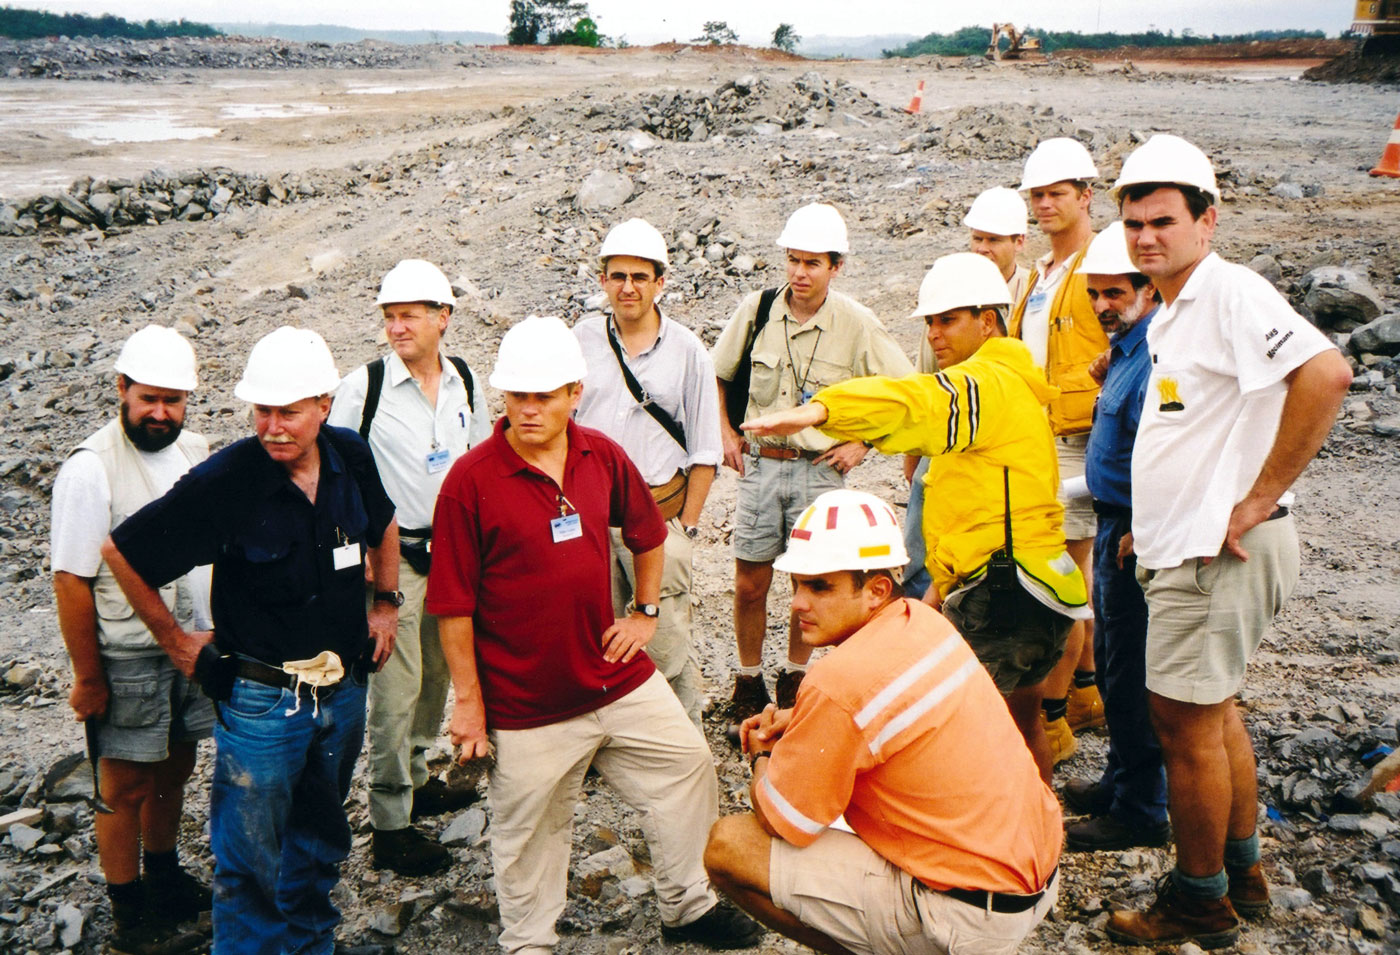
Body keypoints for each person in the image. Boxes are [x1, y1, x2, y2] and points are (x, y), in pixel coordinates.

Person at [426, 316, 763, 955]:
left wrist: (643, 612)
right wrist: (469, 705)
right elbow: (452, 607)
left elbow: (649, 533)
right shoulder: (470, 482)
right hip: (527, 702)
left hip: (613, 676)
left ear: (574, 392)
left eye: (543, 395)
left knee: (688, 766)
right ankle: (530, 943)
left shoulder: (599, 454)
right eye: (517, 395)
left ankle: (686, 906)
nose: (528, 408)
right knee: (530, 833)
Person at [1104, 135, 1352, 947]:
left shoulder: (1229, 293)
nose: (1146, 237)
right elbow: (1196, 429)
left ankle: (1198, 898)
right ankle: (1240, 873)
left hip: (1222, 558)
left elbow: (1327, 374)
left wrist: (1259, 497)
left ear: (1207, 220)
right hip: (1191, 549)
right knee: (1215, 718)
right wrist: (1156, 522)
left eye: (1163, 221)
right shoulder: (1176, 308)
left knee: (1185, 727)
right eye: (1135, 223)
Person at [101, 326, 400, 955]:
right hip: (262, 704)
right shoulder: (228, 481)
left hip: (343, 692)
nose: (272, 426)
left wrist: (385, 605)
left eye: (287, 411)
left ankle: (310, 942)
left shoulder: (350, 456)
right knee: (248, 858)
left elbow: (385, 524)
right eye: (260, 410)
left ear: (323, 405)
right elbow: (122, 552)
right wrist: (179, 644)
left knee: (320, 835)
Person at [742, 253, 1090, 784]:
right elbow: (982, 506)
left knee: (964, 738)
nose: (934, 334)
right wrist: (939, 591)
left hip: (1004, 592)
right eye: (929, 322)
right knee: (1019, 725)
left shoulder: (985, 383)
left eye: (947, 320)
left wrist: (824, 411)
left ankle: (986, 852)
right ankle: (1039, 846)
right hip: (1033, 588)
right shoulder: (1011, 383)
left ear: (987, 320)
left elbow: (915, 402)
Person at [703, 489, 1061, 955]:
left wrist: (766, 754)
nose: (797, 604)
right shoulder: (924, 621)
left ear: (876, 590)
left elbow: (781, 819)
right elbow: (889, 709)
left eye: (820, 586)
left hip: (965, 918)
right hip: (1034, 877)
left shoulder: (837, 681)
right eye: (796, 585)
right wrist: (804, 719)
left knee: (727, 846)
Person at [712, 202, 912, 730]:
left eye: (813, 263)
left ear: (836, 266)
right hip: (760, 469)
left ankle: (796, 677)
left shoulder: (857, 323)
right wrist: (726, 433)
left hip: (819, 471)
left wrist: (863, 444)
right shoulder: (755, 311)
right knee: (749, 582)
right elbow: (720, 375)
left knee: (814, 583)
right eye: (793, 261)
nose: (800, 274)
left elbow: (902, 391)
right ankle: (747, 679)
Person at [51, 326, 213, 953]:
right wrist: (88, 677)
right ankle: (127, 908)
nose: (160, 412)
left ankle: (166, 874)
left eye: (173, 400)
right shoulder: (91, 469)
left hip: (190, 646)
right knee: (122, 784)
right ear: (121, 389)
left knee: (176, 764)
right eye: (148, 398)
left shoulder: (193, 452)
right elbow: (71, 580)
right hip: (126, 657)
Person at [328, 259, 490, 875]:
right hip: (391, 565)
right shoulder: (362, 388)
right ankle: (390, 822)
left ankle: (419, 778)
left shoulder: (465, 380)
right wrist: (369, 575)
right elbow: (337, 478)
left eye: (408, 316)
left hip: (452, 554)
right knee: (394, 692)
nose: (396, 328)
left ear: (442, 318)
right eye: (389, 317)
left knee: (436, 677)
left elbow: (475, 462)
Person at [573, 218, 723, 727]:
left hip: (660, 521)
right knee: (600, 631)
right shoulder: (581, 341)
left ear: (661, 282)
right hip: (591, 522)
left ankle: (684, 738)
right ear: (603, 281)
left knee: (665, 636)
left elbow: (705, 450)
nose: (628, 287)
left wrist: (687, 530)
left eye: (640, 276)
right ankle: (614, 737)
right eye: (618, 276)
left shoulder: (687, 351)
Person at [1061, 222, 1169, 853]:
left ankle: (1140, 808)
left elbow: (1165, 448)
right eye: (1094, 294)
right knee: (1119, 662)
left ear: (1147, 289)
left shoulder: (1156, 354)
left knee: (1130, 668)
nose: (1102, 306)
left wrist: (1142, 523)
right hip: (1113, 521)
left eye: (1114, 294)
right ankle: (1122, 778)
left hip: (1133, 529)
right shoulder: (1127, 348)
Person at [1011, 138, 1112, 763]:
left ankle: (1051, 722)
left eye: (1056, 194)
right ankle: (1082, 694)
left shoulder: (1102, 265)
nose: (1045, 205)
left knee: (1065, 587)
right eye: (1037, 196)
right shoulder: (1044, 274)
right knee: (1064, 581)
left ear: (1085, 196)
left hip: (1078, 443)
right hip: (1041, 443)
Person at [905, 186, 1033, 599]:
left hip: (1000, 452)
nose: (983, 249)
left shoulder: (1035, 294)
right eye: (977, 238)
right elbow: (925, 385)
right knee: (921, 561)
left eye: (993, 240)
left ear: (1019, 241)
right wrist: (916, 460)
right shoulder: (951, 289)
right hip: (941, 448)